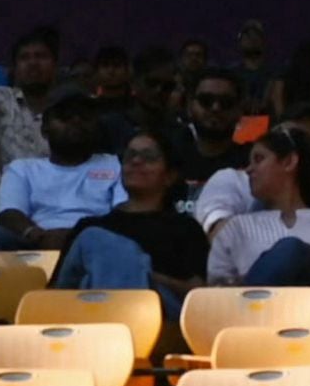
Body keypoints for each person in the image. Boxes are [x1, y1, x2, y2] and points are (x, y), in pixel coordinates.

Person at [203, 129, 310, 303]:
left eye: (259, 159)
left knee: (293, 250)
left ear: (289, 162)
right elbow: (217, 293)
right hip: (253, 320)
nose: (248, 170)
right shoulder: (235, 228)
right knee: (291, 251)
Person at [55, 127, 207, 308]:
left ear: (169, 176)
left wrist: (143, 273)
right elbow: (56, 292)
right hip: (88, 307)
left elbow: (199, 293)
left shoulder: (185, 227)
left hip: (159, 314)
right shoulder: (90, 225)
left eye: (148, 157)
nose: (136, 161)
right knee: (93, 239)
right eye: (129, 156)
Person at [0, 93, 120, 254]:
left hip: (97, 243)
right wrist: (38, 235)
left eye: (85, 116)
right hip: (36, 241)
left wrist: (77, 235)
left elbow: (124, 212)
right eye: (65, 116)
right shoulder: (22, 169)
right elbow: (8, 212)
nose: (76, 121)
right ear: (44, 129)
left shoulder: (116, 165)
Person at [0, 25, 62, 200]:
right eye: (24, 58)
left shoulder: (67, 108)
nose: (33, 63)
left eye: (41, 56)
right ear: (14, 69)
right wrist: (9, 186)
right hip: (6, 201)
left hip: (58, 201)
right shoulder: (0, 100)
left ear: (55, 65)